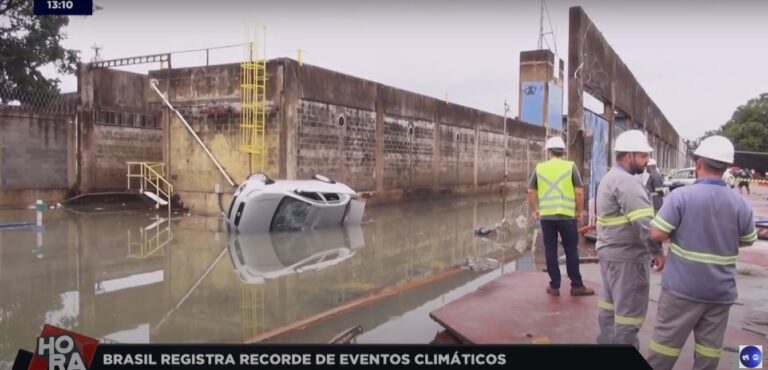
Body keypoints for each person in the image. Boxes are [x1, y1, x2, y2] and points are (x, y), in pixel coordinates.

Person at [646, 135, 757, 370]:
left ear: (698, 163)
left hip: (682, 289)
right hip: (720, 292)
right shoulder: (741, 204)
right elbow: (748, 240)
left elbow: (656, 233)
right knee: (709, 351)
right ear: (726, 167)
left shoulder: (681, 196)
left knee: (664, 349)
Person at [595, 129, 664, 349]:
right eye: (643, 156)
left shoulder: (609, 178)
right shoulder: (627, 183)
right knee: (628, 316)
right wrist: (657, 251)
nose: (646, 161)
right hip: (628, 258)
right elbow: (645, 225)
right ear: (628, 156)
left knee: (609, 310)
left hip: (610, 253)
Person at [527, 136, 595, 297]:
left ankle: (555, 286)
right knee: (571, 250)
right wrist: (579, 211)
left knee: (550, 250)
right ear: (563, 152)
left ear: (549, 151)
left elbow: (530, 191)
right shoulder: (571, 167)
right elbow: (579, 191)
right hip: (567, 216)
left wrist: (534, 210)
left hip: (547, 217)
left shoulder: (540, 168)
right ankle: (576, 285)